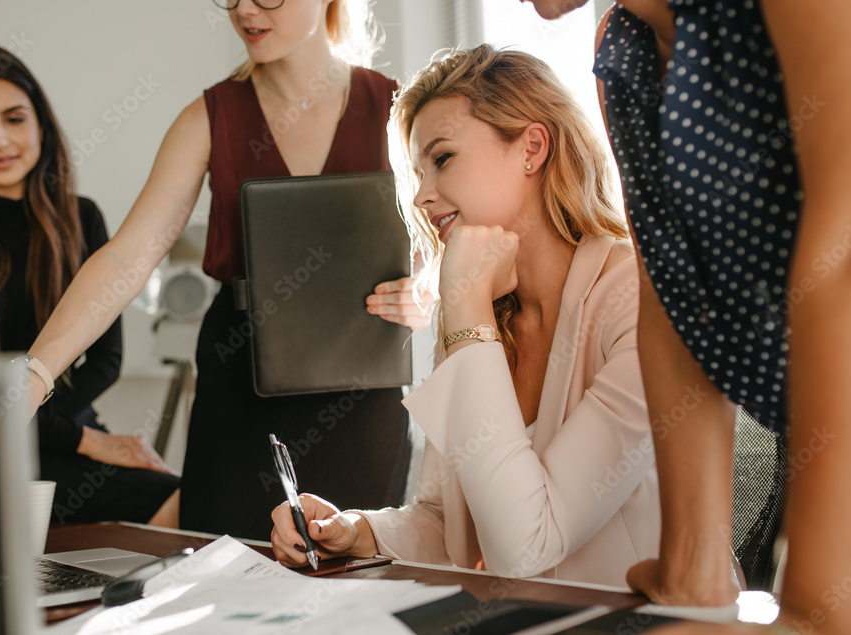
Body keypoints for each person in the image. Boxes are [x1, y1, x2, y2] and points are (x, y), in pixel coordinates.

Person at [480, 0, 851, 633]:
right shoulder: (622, 56)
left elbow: (848, 255)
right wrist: (693, 566)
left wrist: (817, 604)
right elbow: (671, 288)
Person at [21, 0, 422, 541]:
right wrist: (35, 375)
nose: (245, 8)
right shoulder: (209, 117)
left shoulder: (397, 107)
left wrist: (425, 290)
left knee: (347, 572)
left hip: (363, 380)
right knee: (224, 569)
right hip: (239, 383)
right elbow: (128, 257)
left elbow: (454, 245)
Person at [271, 45, 661, 588]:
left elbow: (524, 546)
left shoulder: (640, 303)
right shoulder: (479, 312)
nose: (424, 197)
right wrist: (359, 530)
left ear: (532, 147)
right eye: (417, 173)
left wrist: (466, 314)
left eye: (443, 159)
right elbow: (449, 525)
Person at [0, 46, 180, 524]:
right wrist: (87, 441)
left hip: (65, 437)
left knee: (187, 505)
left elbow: (106, 363)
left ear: (41, 126)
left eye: (14, 118)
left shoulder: (82, 218)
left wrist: (71, 436)